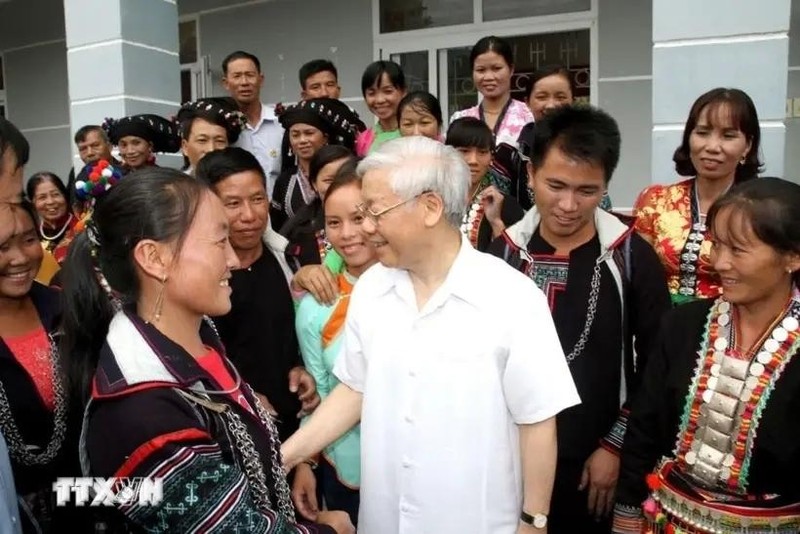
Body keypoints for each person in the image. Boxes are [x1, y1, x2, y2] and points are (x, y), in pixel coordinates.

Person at [282, 136, 580, 534]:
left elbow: (538, 420)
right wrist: (281, 457)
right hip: (385, 517)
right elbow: (356, 389)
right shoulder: (372, 289)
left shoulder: (511, 298)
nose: (367, 227)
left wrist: (534, 520)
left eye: (375, 211)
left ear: (429, 207)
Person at [60, 167, 353, 533]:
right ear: (154, 258)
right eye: (219, 242)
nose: (232, 259)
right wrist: (332, 531)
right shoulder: (145, 414)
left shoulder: (198, 337)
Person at [488, 104, 672, 533]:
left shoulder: (631, 258)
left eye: (587, 191)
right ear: (531, 174)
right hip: (510, 459)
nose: (569, 205)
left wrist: (615, 447)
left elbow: (656, 366)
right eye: (555, 185)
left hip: (596, 467)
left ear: (606, 186)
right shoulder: (503, 255)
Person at [613, 177, 800, 534]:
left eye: (739, 250)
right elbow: (644, 428)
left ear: (792, 256)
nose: (720, 263)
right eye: (717, 245)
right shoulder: (683, 325)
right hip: (668, 520)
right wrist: (628, 513)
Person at [196, 147, 321, 443]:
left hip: (296, 432)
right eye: (233, 203)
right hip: (232, 439)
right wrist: (238, 395)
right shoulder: (198, 280)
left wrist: (305, 368)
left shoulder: (290, 260)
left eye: (257, 199)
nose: (249, 215)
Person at [0, 200, 92, 533]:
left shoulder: (66, 310)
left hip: (88, 501)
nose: (20, 258)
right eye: (2, 247)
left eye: (27, 240)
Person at [292, 169, 377, 527]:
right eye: (334, 222)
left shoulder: (418, 289)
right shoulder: (316, 306)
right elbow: (318, 394)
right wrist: (305, 462)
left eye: (359, 218)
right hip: (347, 470)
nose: (347, 234)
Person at [633, 88, 761, 305]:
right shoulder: (656, 200)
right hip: (661, 325)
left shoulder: (759, 209)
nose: (712, 147)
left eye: (728, 136)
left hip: (729, 326)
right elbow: (635, 271)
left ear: (747, 146)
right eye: (702, 132)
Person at [271, 98, 365, 232]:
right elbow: (277, 227)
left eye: (309, 133)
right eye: (295, 135)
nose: (302, 140)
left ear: (325, 137)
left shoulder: (345, 170)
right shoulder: (285, 180)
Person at [445, 117, 524, 252]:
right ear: (447, 153)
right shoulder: (430, 201)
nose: (473, 160)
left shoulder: (506, 206)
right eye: (464, 151)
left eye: (482, 152)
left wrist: (496, 222)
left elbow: (516, 262)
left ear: (491, 158)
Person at [281, 145, 357, 272]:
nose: (337, 186)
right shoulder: (297, 231)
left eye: (344, 177)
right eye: (329, 180)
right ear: (314, 184)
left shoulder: (374, 218)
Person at [450, 35, 534, 146]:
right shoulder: (460, 119)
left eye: (496, 68)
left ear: (511, 69)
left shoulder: (530, 116)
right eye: (481, 70)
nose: (489, 77)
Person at [223, 50, 284, 196]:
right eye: (237, 76)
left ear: (260, 79)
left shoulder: (281, 123)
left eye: (249, 75)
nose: (244, 82)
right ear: (226, 83)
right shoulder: (223, 128)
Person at [176, 96, 246, 174]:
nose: (211, 149)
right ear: (185, 147)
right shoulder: (174, 185)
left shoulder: (242, 183)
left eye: (220, 141)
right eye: (202, 140)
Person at [354, 61, 407, 156]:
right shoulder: (364, 139)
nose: (380, 100)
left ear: (403, 92)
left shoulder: (415, 132)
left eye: (387, 91)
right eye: (371, 93)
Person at [26, 172, 78, 266]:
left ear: (64, 196)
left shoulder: (81, 229)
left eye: (55, 195)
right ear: (33, 202)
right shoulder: (30, 236)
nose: (50, 201)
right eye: (42, 197)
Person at [102, 114, 181, 172]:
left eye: (136, 143)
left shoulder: (165, 179)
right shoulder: (112, 179)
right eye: (123, 145)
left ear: (150, 146)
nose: (130, 151)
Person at [65, 125, 119, 210]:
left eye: (95, 145)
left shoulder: (127, 171)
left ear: (109, 146)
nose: (89, 153)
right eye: (83, 149)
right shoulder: (77, 175)